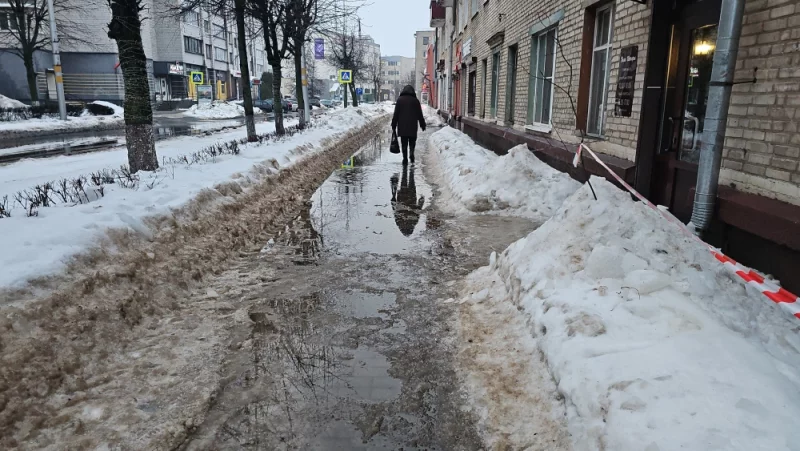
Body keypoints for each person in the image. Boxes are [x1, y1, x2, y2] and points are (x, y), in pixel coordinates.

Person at [391, 85, 427, 165]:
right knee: (412, 141)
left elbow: (396, 114)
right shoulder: (415, 101)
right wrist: (422, 124)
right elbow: (419, 114)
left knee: (404, 143)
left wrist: (394, 124)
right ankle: (411, 153)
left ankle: (405, 158)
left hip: (402, 126)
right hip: (412, 126)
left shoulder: (399, 100)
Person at [390, 165, 425, 237]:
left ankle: (411, 170)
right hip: (401, 197)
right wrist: (393, 200)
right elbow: (395, 211)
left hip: (412, 197)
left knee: (411, 180)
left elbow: (418, 211)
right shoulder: (399, 222)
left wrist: (421, 201)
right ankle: (405, 169)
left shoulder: (413, 222)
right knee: (404, 179)